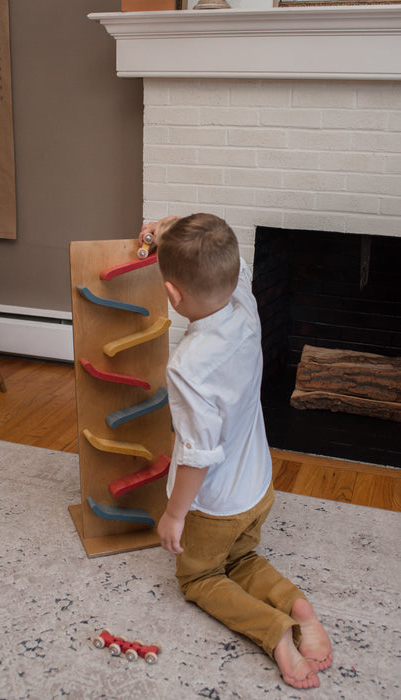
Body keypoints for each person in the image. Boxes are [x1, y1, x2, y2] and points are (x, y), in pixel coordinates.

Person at [138, 213, 332, 690]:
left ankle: (277, 634)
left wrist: (176, 515)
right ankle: (297, 605)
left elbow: (197, 452)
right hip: (259, 488)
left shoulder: (187, 367)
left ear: (172, 295)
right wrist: (173, 229)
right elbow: (232, 261)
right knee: (241, 560)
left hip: (216, 506)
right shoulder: (244, 302)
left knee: (200, 578)